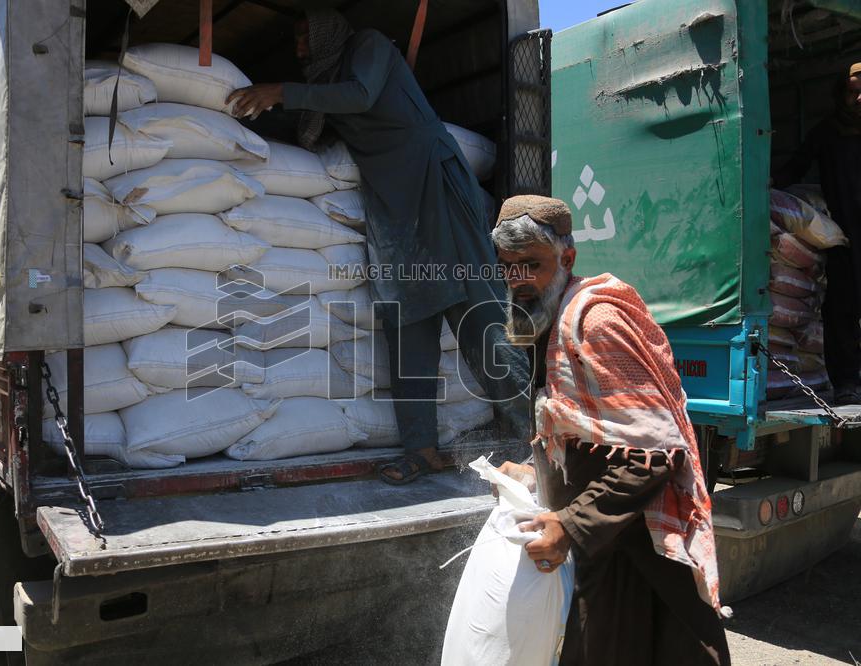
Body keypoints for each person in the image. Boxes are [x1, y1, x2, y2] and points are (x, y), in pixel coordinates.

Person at [227, 10, 532, 483]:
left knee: (479, 317)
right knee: (405, 319)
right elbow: (311, 130)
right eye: (297, 39)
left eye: (306, 33)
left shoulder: (368, 45)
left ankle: (531, 443)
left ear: (330, 29)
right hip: (392, 209)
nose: (301, 47)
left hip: (437, 186)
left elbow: (362, 94)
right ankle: (421, 447)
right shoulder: (325, 83)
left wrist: (281, 90)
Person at [490, 195, 731, 666]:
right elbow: (583, 429)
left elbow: (656, 453)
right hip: (606, 543)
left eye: (530, 265)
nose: (518, 280)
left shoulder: (595, 321)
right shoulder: (548, 318)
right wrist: (536, 471)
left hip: (640, 541)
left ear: (568, 258)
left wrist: (569, 523)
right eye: (507, 267)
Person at [774, 63, 861, 405]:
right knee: (842, 310)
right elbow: (797, 164)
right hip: (843, 236)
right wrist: (771, 185)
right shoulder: (829, 132)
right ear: (841, 94)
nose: (859, 97)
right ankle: (847, 383)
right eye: (852, 91)